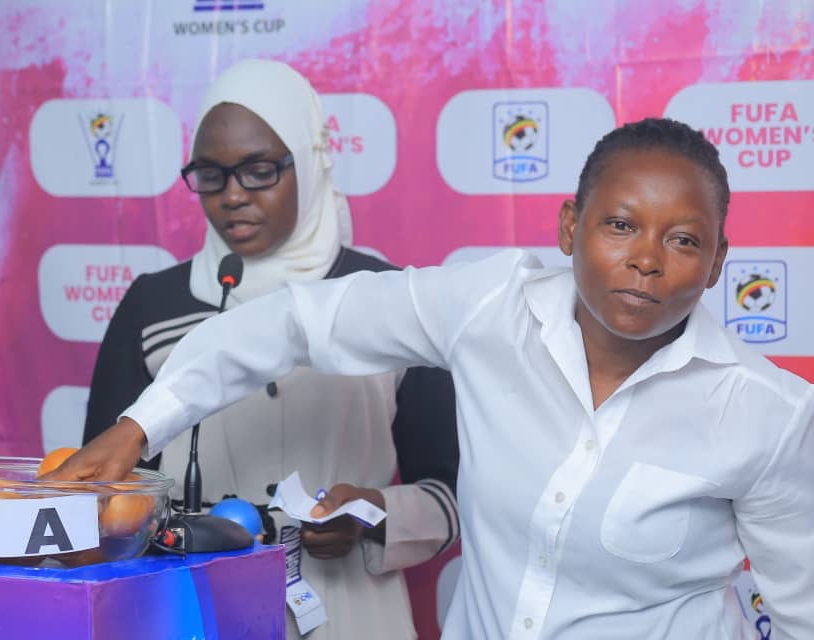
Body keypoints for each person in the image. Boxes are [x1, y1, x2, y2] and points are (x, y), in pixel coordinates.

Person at [55, 117, 814, 639]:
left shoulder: (768, 416)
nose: (646, 259)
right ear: (568, 227)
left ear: (718, 262)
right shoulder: (490, 308)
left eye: (683, 240)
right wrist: (141, 424)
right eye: (619, 225)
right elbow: (295, 320)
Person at [80, 59, 460, 640]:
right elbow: (108, 482)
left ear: (308, 163)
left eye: (259, 171)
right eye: (211, 175)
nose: (233, 196)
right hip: (192, 607)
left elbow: (451, 495)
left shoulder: (385, 302)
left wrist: (374, 516)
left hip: (352, 614)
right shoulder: (152, 305)